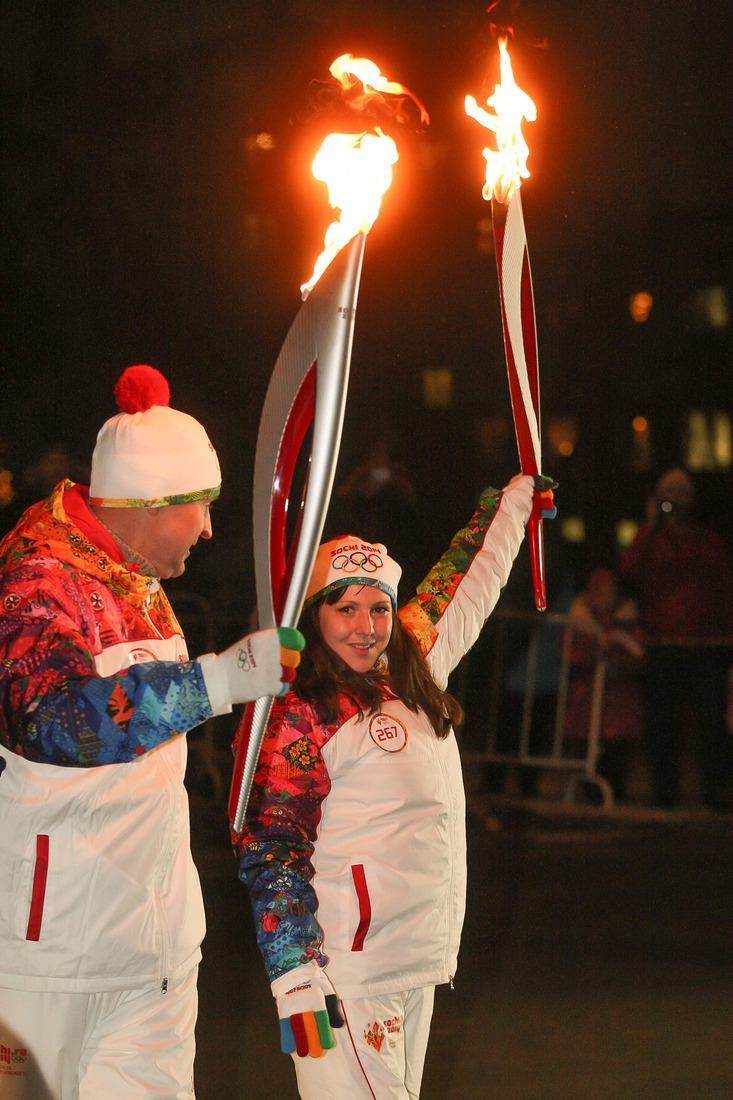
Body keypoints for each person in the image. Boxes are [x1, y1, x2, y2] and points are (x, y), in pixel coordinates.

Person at [0, 364, 304, 1100]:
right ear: (146, 502)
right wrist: (218, 681)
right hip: (52, 962)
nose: (208, 526)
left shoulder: (138, 578)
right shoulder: (34, 580)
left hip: (155, 955)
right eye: (198, 506)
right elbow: (55, 722)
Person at [234, 472, 555, 1099]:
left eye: (378, 607)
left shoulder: (409, 667)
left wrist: (513, 504)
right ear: (315, 611)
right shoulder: (300, 709)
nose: (365, 625)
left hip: (416, 961)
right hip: (344, 974)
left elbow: (462, 584)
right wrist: (294, 972)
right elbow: (270, 845)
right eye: (344, 606)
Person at [620, 467, 733, 809]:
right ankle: (664, 792)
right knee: (660, 722)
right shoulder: (650, 537)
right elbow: (628, 569)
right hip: (663, 642)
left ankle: (715, 791)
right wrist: (651, 525)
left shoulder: (707, 538)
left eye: (681, 494)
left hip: (705, 644)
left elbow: (722, 585)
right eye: (669, 494)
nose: (675, 502)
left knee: (711, 723)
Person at [561, 567, 644, 803]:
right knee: (585, 747)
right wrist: (593, 653)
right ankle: (588, 792)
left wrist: (620, 655)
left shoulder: (629, 620)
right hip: (585, 700)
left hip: (619, 703)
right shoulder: (578, 618)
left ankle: (614, 793)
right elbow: (567, 651)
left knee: (616, 752)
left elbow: (639, 658)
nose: (603, 596)